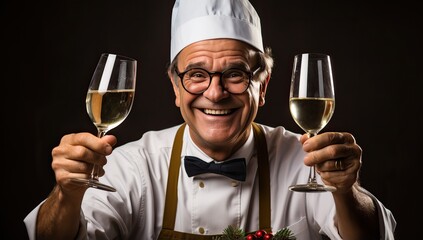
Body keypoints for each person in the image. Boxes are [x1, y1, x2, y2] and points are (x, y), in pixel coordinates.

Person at [24, 0, 396, 239]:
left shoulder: (305, 161)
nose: (215, 93)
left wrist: (347, 192)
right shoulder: (133, 165)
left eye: (235, 74)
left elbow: (369, 236)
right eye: (196, 74)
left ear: (262, 86)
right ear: (175, 85)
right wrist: (67, 195)